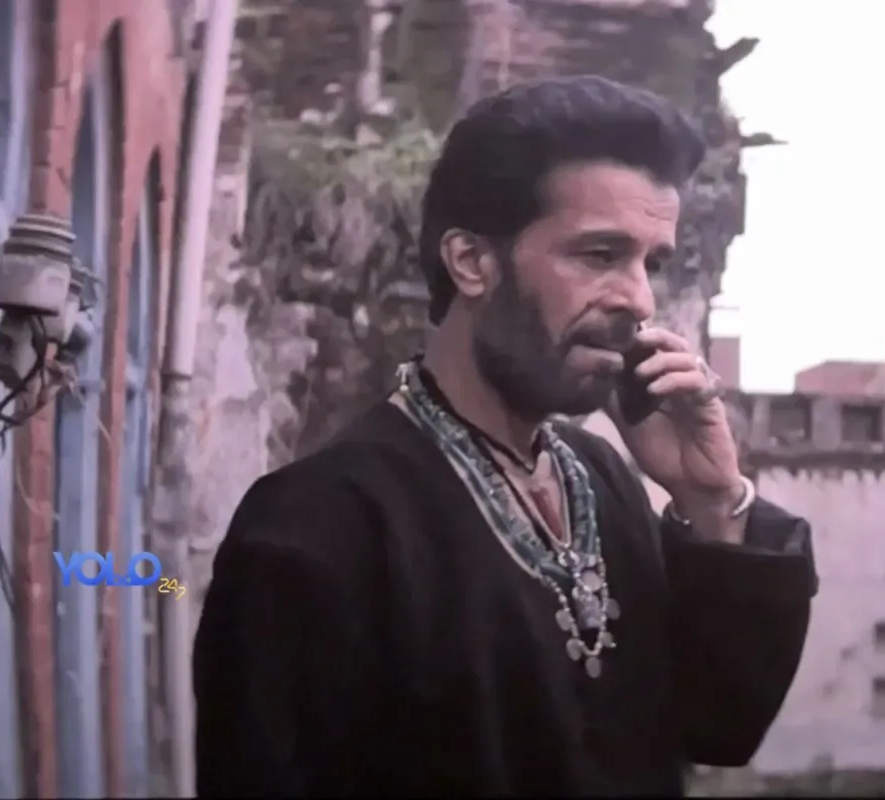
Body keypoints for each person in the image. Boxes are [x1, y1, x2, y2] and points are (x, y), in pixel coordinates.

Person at [192, 75, 817, 796]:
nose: (639, 299)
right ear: (471, 262)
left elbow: (720, 728)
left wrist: (711, 500)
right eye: (599, 255)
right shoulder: (317, 527)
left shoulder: (601, 480)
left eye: (652, 264)